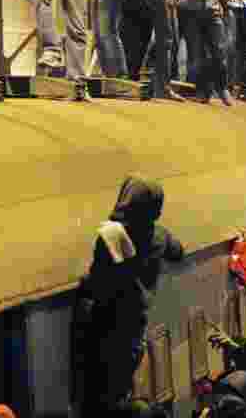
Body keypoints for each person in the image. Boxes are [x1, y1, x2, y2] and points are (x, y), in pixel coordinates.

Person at [74, 174, 184, 417]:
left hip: (104, 330)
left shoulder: (112, 236)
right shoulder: (160, 236)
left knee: (98, 400)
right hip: (134, 332)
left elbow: (99, 280)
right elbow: (178, 252)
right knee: (117, 394)